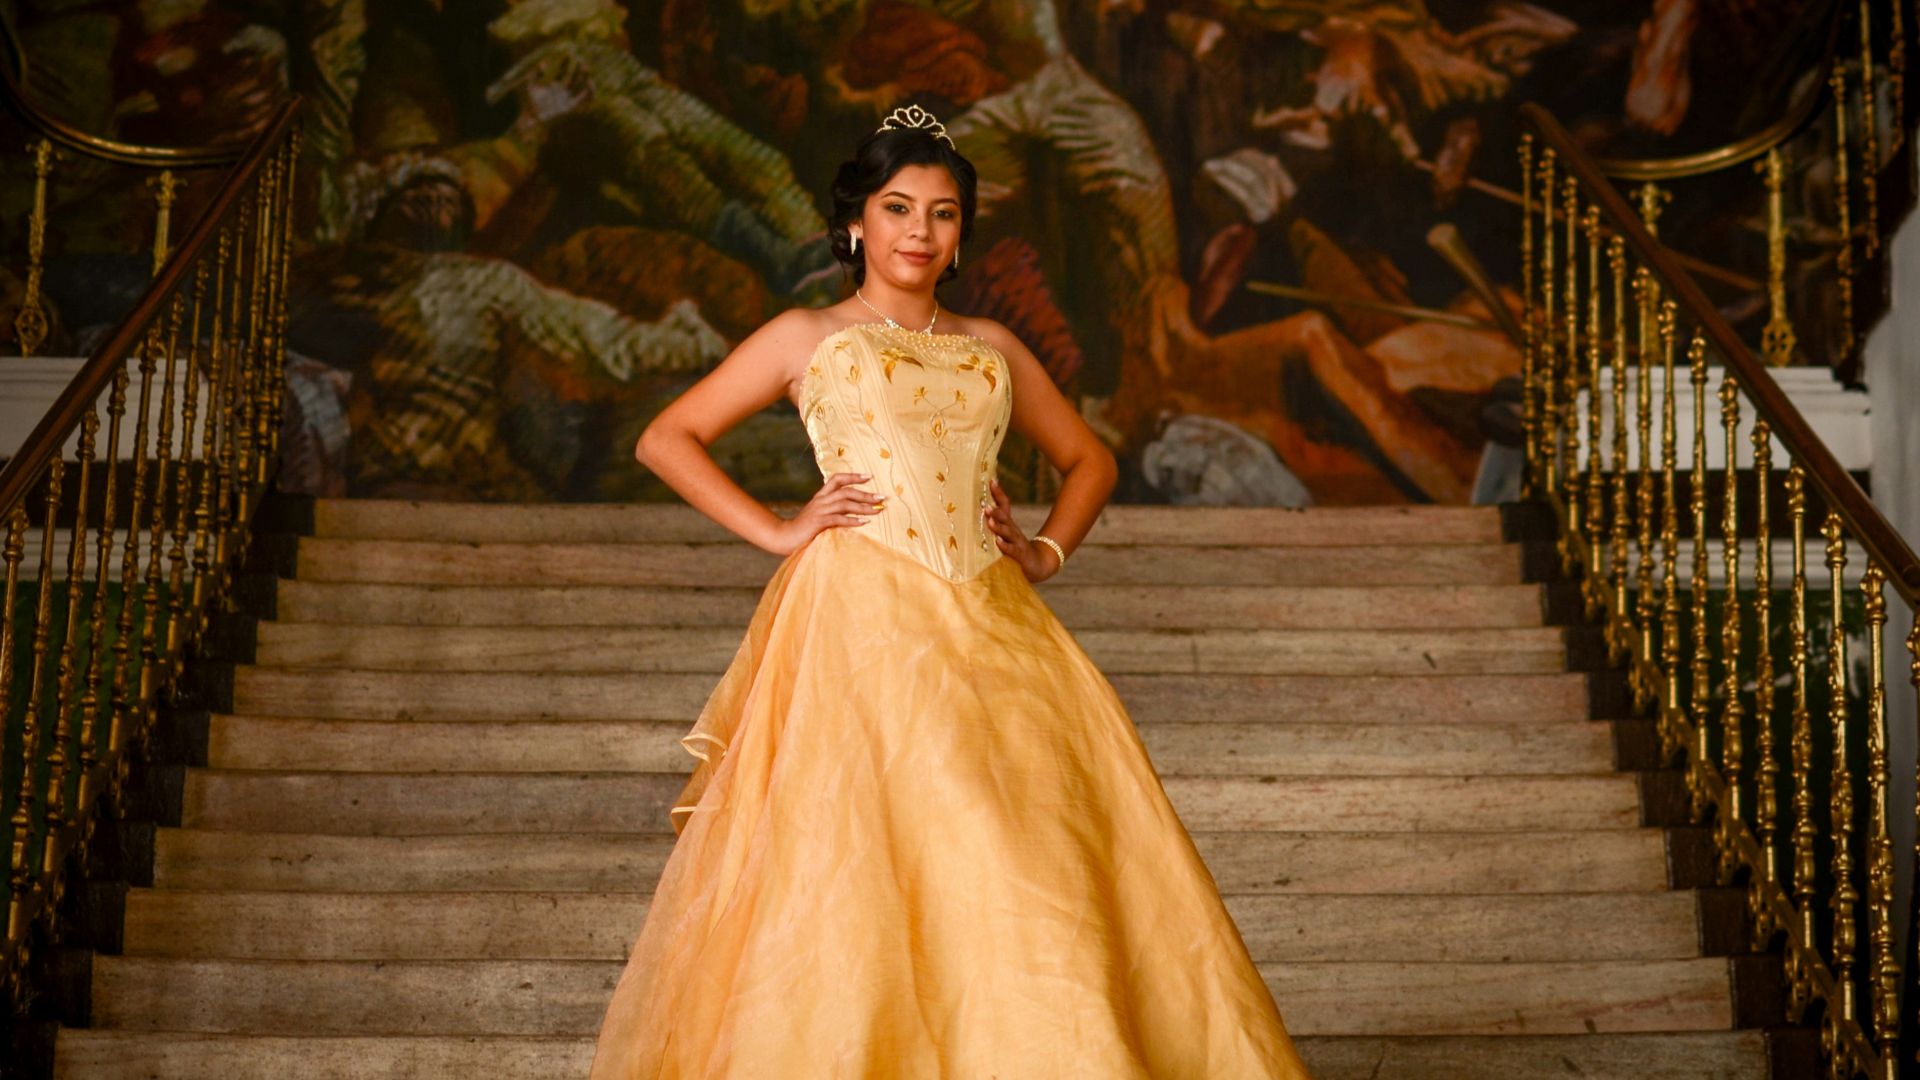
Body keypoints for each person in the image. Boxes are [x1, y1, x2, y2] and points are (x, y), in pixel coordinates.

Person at [587, 105, 1312, 1078]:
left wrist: (1046, 551)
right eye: (898, 208)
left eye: (941, 212)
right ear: (858, 225)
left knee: (1021, 851)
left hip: (993, 616)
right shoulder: (808, 333)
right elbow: (665, 437)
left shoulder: (992, 345)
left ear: (963, 231)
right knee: (888, 858)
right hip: (861, 617)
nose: (919, 231)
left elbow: (1088, 460)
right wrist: (777, 529)